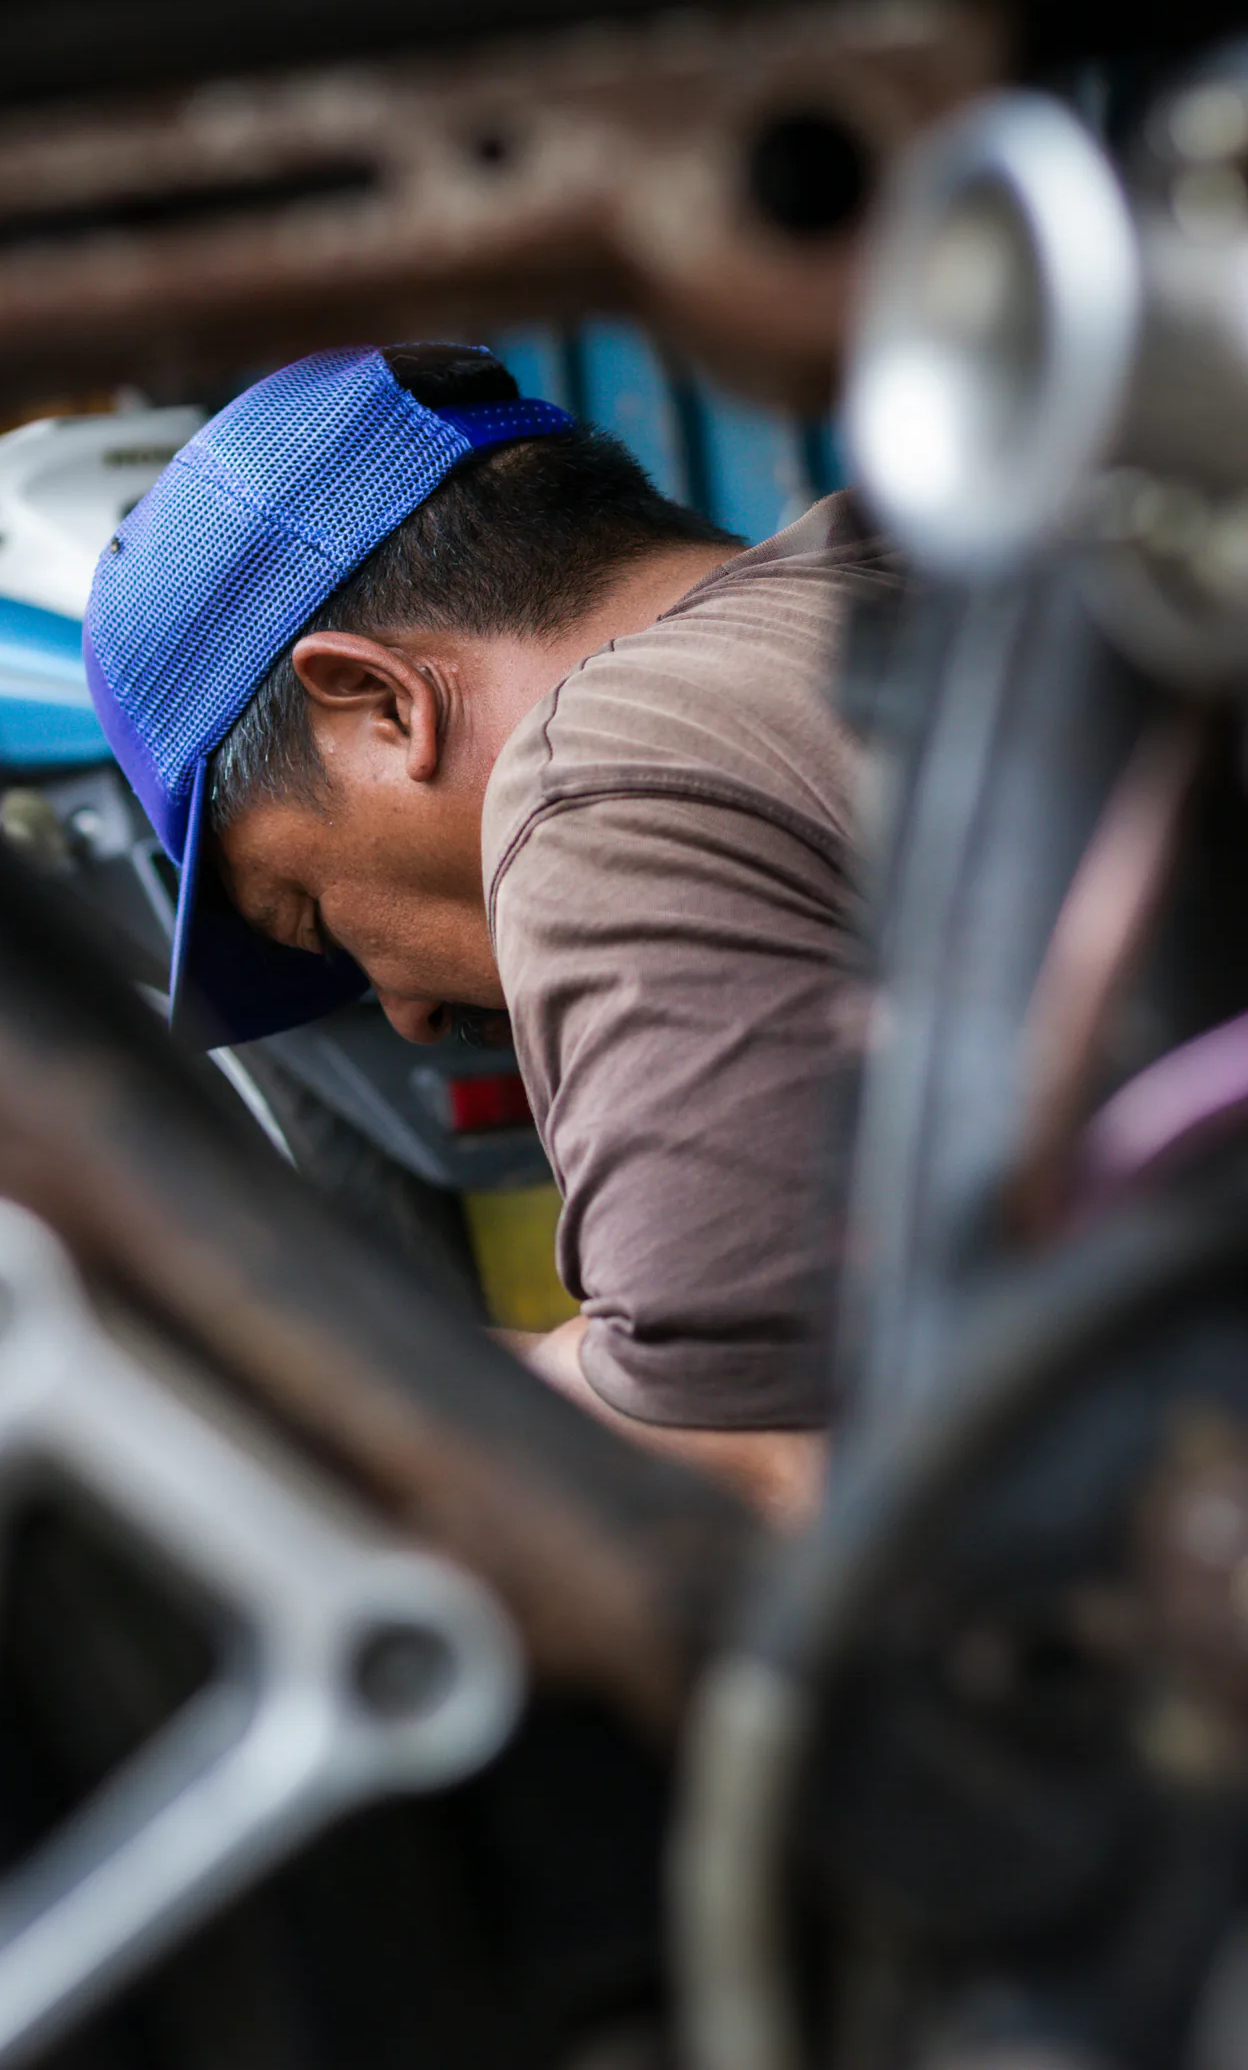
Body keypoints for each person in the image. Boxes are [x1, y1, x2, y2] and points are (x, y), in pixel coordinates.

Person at [85, 341, 896, 1522]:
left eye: (311, 917)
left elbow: (784, 1465)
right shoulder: (906, 569)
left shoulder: (600, 774)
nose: (407, 1015)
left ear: (380, 702)